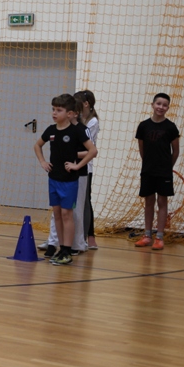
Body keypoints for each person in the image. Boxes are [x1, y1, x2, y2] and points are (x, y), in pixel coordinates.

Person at [34, 94, 98, 266]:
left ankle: (67, 250)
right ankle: (60, 248)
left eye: (59, 110)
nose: (54, 113)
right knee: (57, 214)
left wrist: (78, 165)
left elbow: (93, 151)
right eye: (53, 109)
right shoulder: (51, 130)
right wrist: (42, 161)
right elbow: (37, 145)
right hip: (53, 178)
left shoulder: (76, 131)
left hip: (69, 180)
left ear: (70, 114)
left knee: (66, 214)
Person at [134, 93, 180, 250]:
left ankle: (159, 237)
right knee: (149, 202)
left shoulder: (171, 127)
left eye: (164, 105)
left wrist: (167, 166)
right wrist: (148, 163)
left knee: (162, 201)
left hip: (164, 172)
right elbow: (142, 149)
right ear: (152, 105)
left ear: (168, 108)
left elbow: (175, 151)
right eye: (158, 103)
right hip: (148, 170)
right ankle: (147, 235)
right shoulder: (143, 126)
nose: (161, 107)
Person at [76, 90, 100, 249]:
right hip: (74, 165)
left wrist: (69, 153)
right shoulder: (78, 120)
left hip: (85, 166)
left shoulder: (92, 122)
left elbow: (90, 149)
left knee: (85, 202)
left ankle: (88, 237)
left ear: (86, 104)